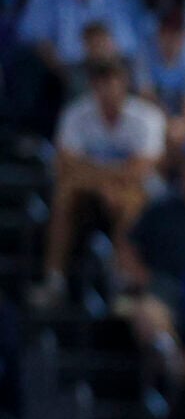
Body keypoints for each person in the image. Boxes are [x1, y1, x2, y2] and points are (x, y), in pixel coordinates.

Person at [43, 54, 166, 301]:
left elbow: (142, 167)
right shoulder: (76, 114)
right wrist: (105, 182)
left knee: (128, 202)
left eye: (113, 81)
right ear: (92, 85)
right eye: (101, 81)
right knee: (64, 195)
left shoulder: (147, 116)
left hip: (134, 190)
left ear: (125, 83)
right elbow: (65, 163)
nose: (108, 88)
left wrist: (97, 175)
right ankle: (54, 279)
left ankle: (121, 281)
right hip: (89, 191)